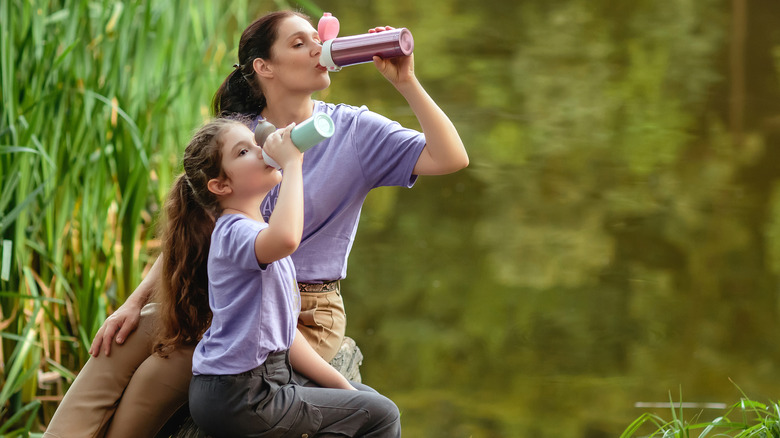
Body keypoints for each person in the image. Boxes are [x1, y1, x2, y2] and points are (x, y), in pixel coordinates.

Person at [44, 9, 467, 438]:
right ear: (264, 67)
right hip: (227, 295)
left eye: (315, 40)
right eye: (299, 44)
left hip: (300, 310)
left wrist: (405, 81)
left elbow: (450, 157)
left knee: (164, 367)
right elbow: (197, 233)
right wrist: (133, 302)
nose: (317, 49)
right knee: (122, 340)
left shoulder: (353, 130)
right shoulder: (239, 140)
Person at [175, 117, 399, 436]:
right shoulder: (233, 232)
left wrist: (342, 387)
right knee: (383, 416)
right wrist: (293, 163)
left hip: (256, 384)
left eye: (256, 143)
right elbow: (287, 238)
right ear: (221, 185)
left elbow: (284, 334)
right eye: (243, 152)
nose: (261, 150)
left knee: (367, 400)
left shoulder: (255, 233)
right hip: (241, 395)